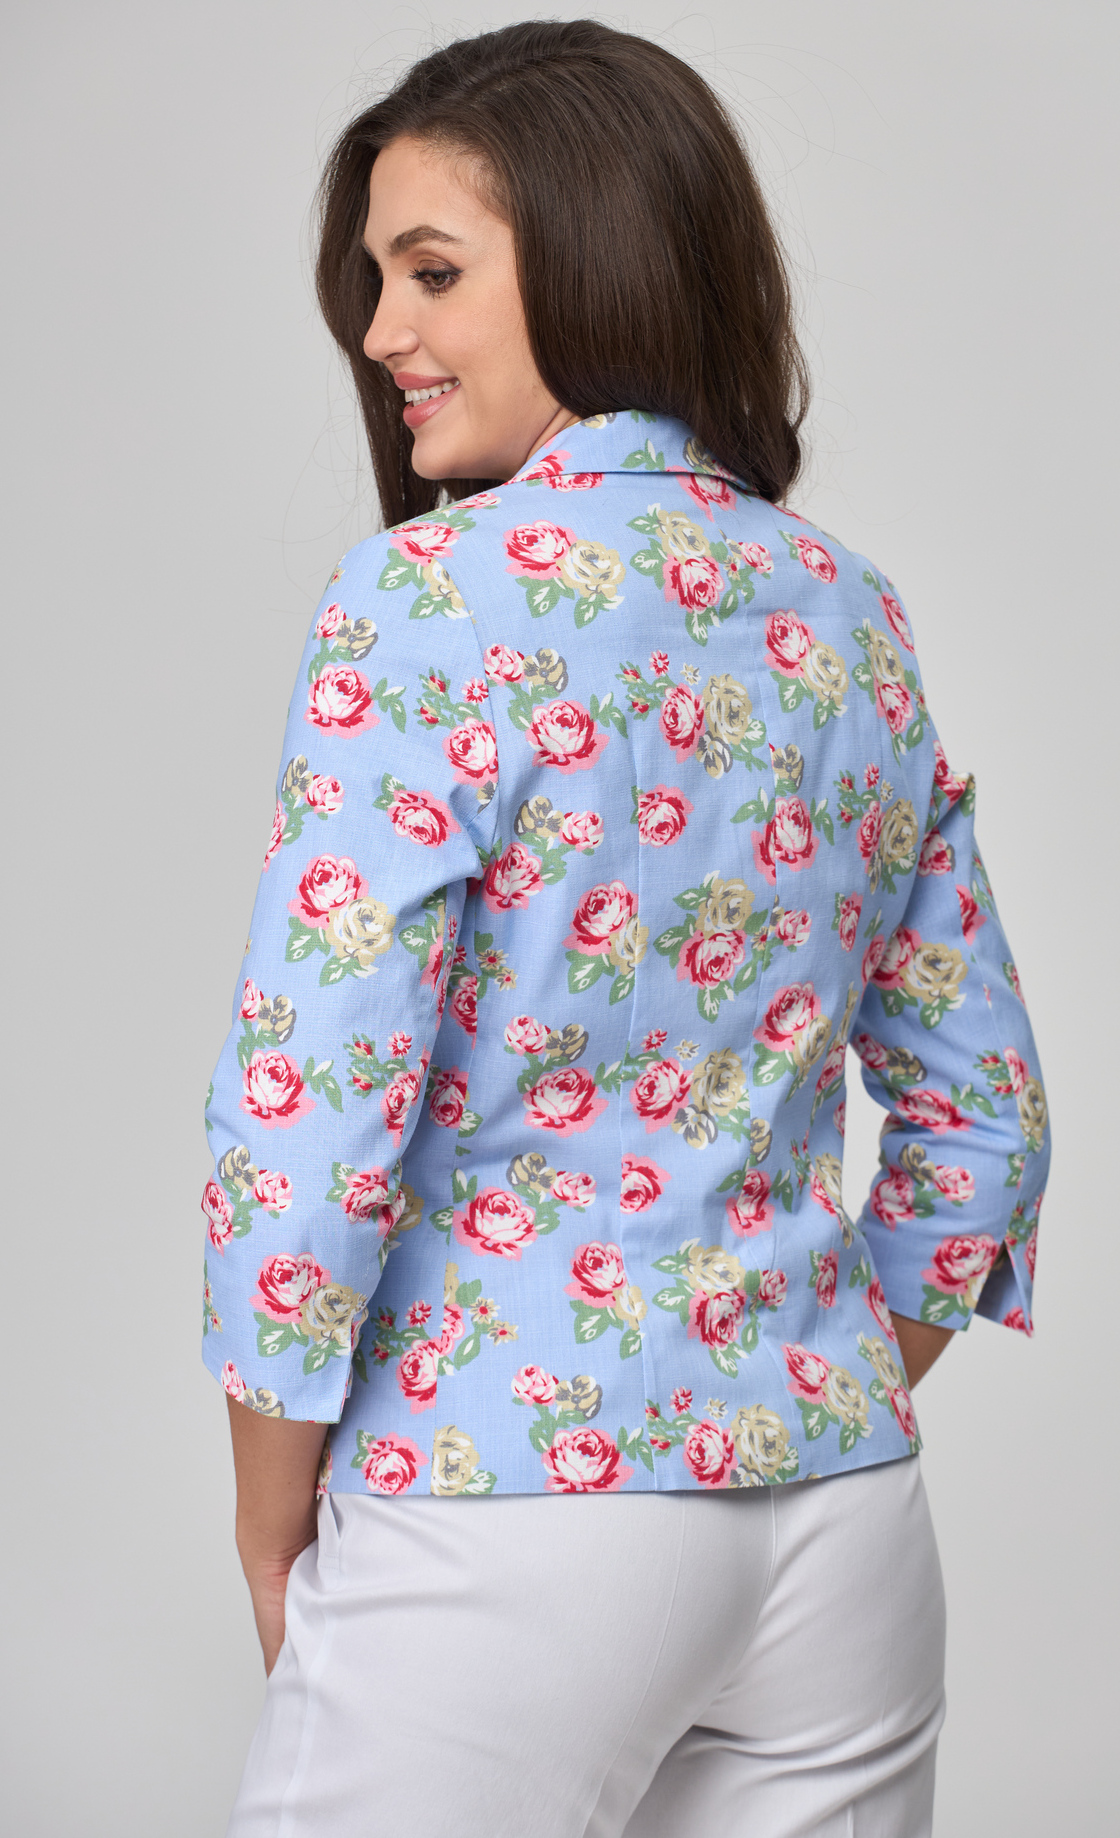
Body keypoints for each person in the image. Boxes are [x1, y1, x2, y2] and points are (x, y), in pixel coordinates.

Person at [201, 20, 1050, 1836]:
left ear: (597, 256)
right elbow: (983, 1124)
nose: (380, 330)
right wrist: (791, 1382)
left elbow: (311, 1112)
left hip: (501, 1504)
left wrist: (271, 1509)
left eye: (432, 271)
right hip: (841, 1534)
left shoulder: (422, 601)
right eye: (373, 279)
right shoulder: (845, 608)